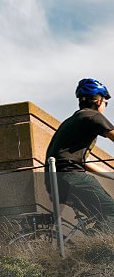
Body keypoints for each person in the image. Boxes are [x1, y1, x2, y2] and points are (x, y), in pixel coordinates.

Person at [46, 79, 114, 231]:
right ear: (97, 100)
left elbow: (83, 162)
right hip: (72, 177)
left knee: (101, 215)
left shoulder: (72, 121)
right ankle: (95, 251)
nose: (105, 106)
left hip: (56, 179)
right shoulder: (92, 116)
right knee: (111, 212)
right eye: (105, 102)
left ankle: (92, 245)